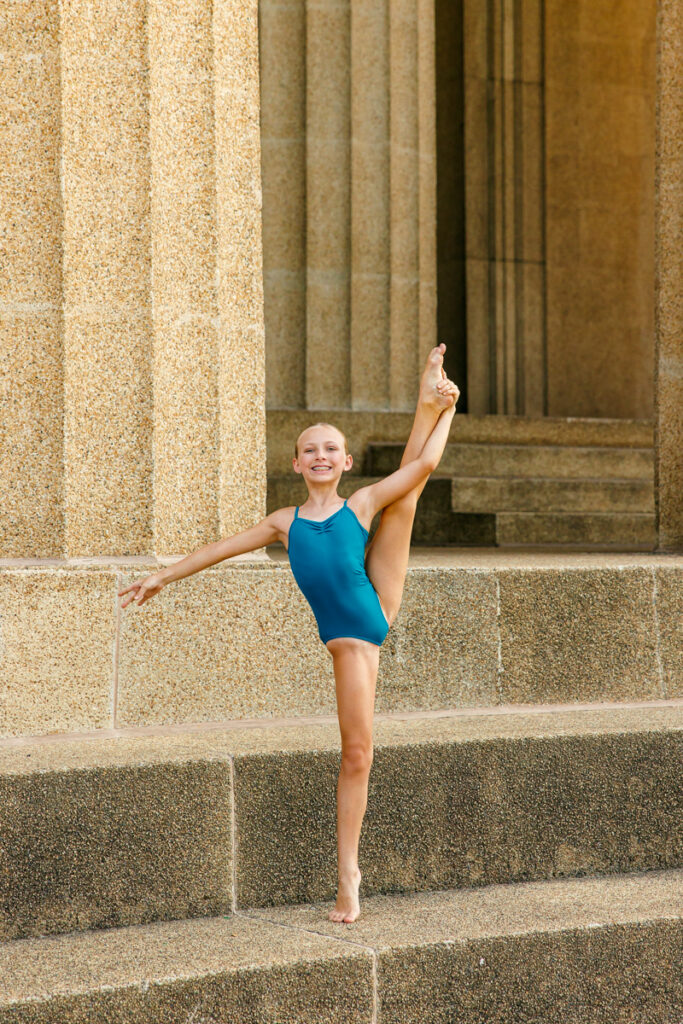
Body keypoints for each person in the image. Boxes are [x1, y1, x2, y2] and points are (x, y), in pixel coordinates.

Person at [119, 343, 460, 924]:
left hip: (365, 623)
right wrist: (162, 576)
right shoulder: (285, 522)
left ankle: (430, 397)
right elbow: (219, 549)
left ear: (346, 462)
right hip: (346, 627)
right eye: (310, 450)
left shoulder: (359, 503)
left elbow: (423, 468)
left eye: (331, 448)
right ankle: (349, 870)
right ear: (297, 464)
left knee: (404, 501)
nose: (321, 455)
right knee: (355, 752)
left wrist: (450, 410)